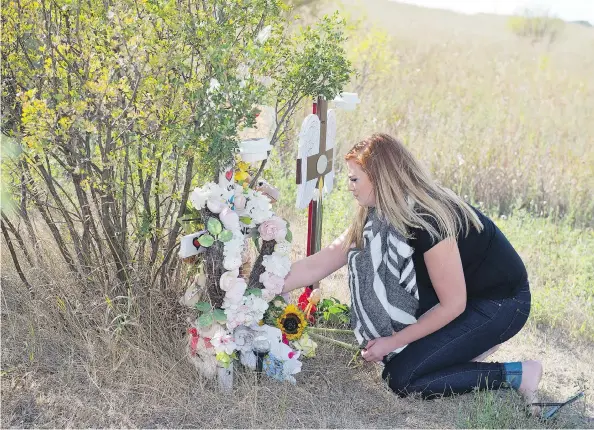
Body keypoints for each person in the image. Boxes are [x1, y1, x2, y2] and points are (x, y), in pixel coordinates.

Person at [282, 133, 542, 407]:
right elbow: (325, 260)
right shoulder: (381, 209)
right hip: (457, 292)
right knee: (403, 350)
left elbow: (453, 305)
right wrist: (265, 284)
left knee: (402, 378)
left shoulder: (428, 220)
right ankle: (462, 346)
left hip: (501, 303)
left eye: (354, 178)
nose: (350, 187)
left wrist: (393, 341)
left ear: (381, 179)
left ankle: (518, 374)